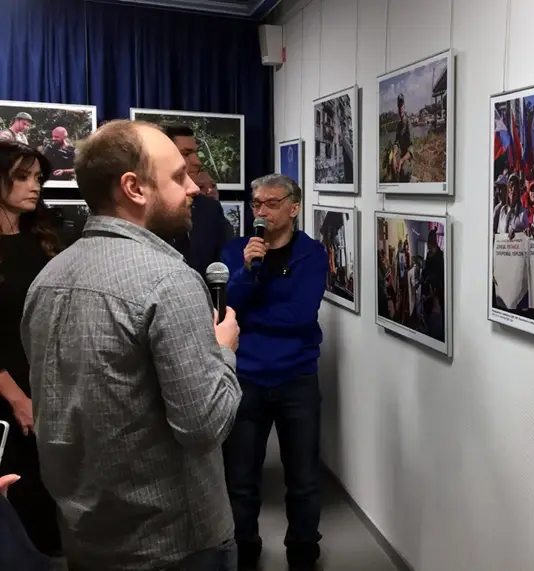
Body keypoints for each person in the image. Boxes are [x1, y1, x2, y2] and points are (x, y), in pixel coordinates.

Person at [20, 120, 243, 571]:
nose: (194, 188)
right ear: (134, 188)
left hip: (85, 537)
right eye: (178, 177)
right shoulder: (170, 281)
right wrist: (224, 349)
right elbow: (205, 427)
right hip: (175, 545)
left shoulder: (47, 279)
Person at [221, 174, 328, 571]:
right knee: (241, 478)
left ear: (294, 207)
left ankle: (302, 551)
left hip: (296, 378)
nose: (261, 212)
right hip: (245, 377)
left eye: (271, 203)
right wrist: (249, 270)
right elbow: (225, 308)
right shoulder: (235, 251)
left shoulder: (312, 254)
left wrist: (250, 316)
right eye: (256, 204)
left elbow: (300, 316)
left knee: (303, 477)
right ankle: (244, 549)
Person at [0, 141, 62, 559]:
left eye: (38, 178)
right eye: (22, 177)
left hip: (46, 383)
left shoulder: (44, 239)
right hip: (8, 391)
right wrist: (16, 396)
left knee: (47, 498)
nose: (34, 186)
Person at [162, 123, 231, 278]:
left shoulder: (210, 209)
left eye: (195, 152)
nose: (197, 161)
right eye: (186, 153)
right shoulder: (144, 208)